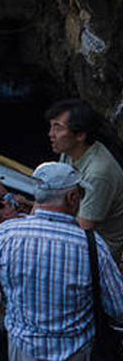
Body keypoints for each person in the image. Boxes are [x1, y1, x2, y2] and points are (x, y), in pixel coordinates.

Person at [0, 161, 123, 361]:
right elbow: (118, 307)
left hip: (23, 347)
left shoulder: (6, 233)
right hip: (73, 353)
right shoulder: (92, 245)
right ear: (72, 198)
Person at [47, 98, 123, 261]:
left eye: (57, 128)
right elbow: (56, 192)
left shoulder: (99, 173)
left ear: (80, 135)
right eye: (51, 127)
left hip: (100, 248)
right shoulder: (69, 152)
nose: (51, 134)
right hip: (75, 220)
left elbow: (82, 230)